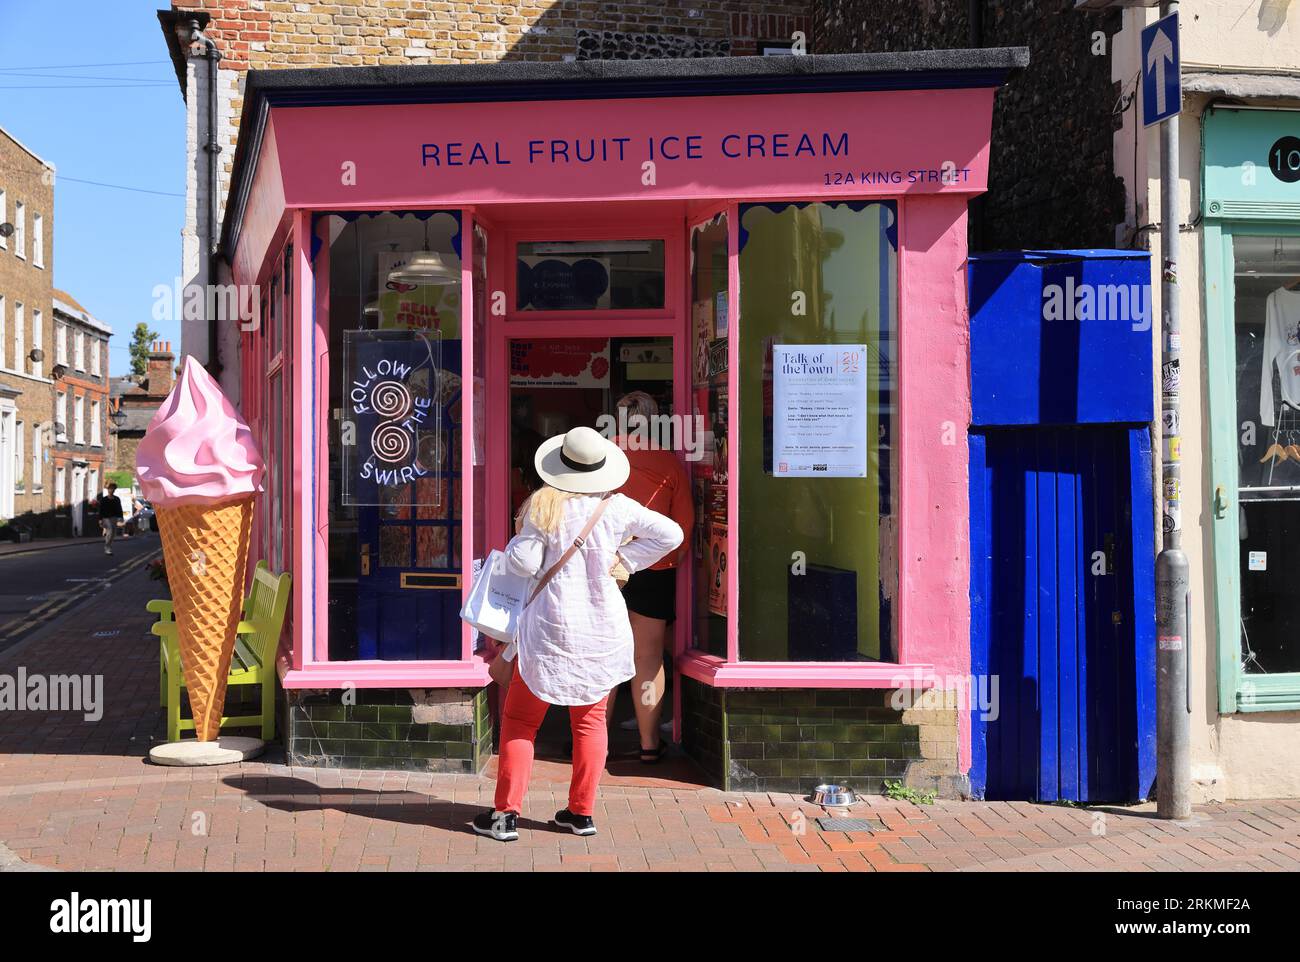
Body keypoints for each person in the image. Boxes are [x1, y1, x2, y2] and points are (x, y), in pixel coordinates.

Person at [472, 426, 682, 843]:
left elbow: (525, 562)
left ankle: (505, 816)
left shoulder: (542, 504)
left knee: (519, 722)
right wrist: (625, 559)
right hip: (600, 632)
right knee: (589, 725)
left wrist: (518, 541)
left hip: (547, 634)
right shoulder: (618, 507)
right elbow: (672, 534)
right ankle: (580, 814)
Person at [610, 391, 694, 763]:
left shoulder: (603, 456)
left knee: (602, 656)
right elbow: (684, 525)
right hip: (653, 569)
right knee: (647, 658)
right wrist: (669, 560)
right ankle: (648, 745)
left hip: (604, 567)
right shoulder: (669, 463)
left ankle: (593, 742)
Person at [97, 482, 124, 555]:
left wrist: (121, 518)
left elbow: (119, 509)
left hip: (114, 517)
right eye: (110, 489)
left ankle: (109, 546)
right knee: (110, 530)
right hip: (106, 518)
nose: (111, 490)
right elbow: (101, 510)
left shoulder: (117, 499)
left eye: (112, 489)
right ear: (108, 490)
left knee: (113, 533)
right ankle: (107, 547)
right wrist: (100, 519)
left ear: (114, 490)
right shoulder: (104, 499)